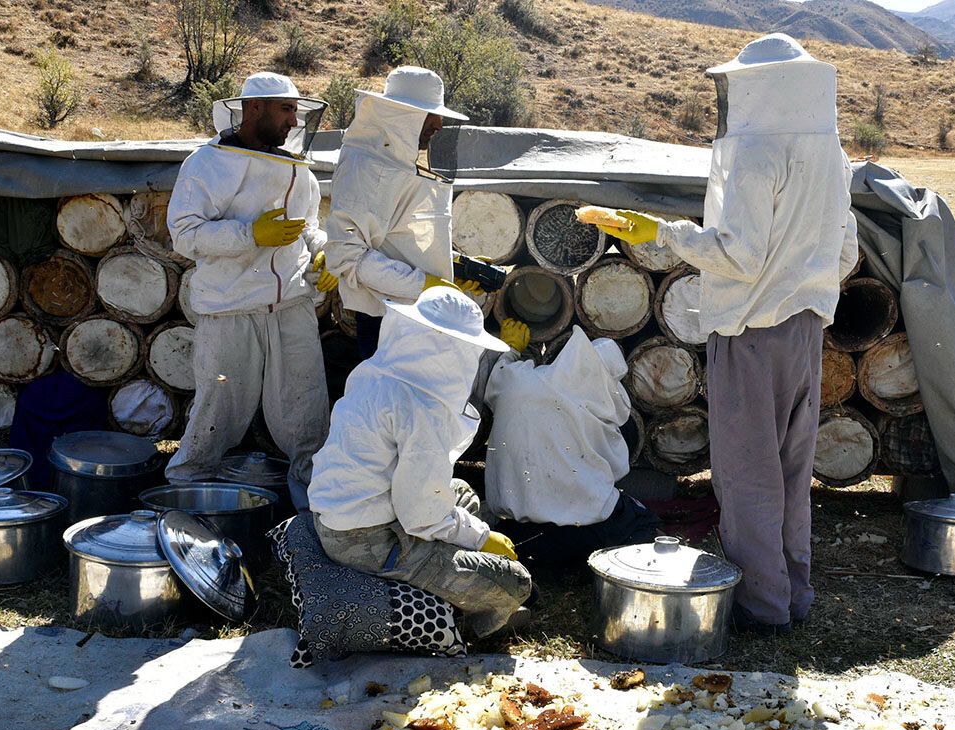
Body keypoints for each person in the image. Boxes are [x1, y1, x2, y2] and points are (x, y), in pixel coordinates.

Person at [596, 34, 858, 634]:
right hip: (805, 332)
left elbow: (737, 256)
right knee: (792, 474)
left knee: (747, 477)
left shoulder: (756, 153)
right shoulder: (830, 154)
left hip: (749, 333)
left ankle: (760, 608)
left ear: (754, 90)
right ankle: (793, 596)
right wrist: (800, 286)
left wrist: (664, 234)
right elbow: (844, 251)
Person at [307, 287, 532, 638]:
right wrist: (482, 538)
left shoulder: (372, 373)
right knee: (515, 583)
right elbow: (421, 514)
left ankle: (437, 575)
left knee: (461, 493)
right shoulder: (419, 408)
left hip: (341, 517)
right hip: (369, 541)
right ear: (453, 348)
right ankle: (467, 622)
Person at [166, 72, 333, 511]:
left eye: (298, 110)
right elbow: (184, 235)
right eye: (287, 109)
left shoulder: (300, 170)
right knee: (215, 418)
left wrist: (323, 254)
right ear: (254, 108)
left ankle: (317, 520)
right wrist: (249, 235)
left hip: (291, 308)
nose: (295, 120)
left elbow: (309, 229)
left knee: (308, 420)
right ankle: (181, 510)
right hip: (230, 309)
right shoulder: (207, 163)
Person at [325, 66, 483, 360]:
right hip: (386, 319)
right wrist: (424, 285)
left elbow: (401, 234)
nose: (438, 124)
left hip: (413, 312)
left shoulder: (395, 161)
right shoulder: (365, 167)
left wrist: (457, 266)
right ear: (401, 116)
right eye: (429, 115)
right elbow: (349, 257)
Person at [481, 326, 661, 571]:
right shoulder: (596, 414)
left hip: (516, 532)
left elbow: (497, 375)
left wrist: (511, 348)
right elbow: (616, 470)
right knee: (644, 522)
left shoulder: (518, 379)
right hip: (583, 534)